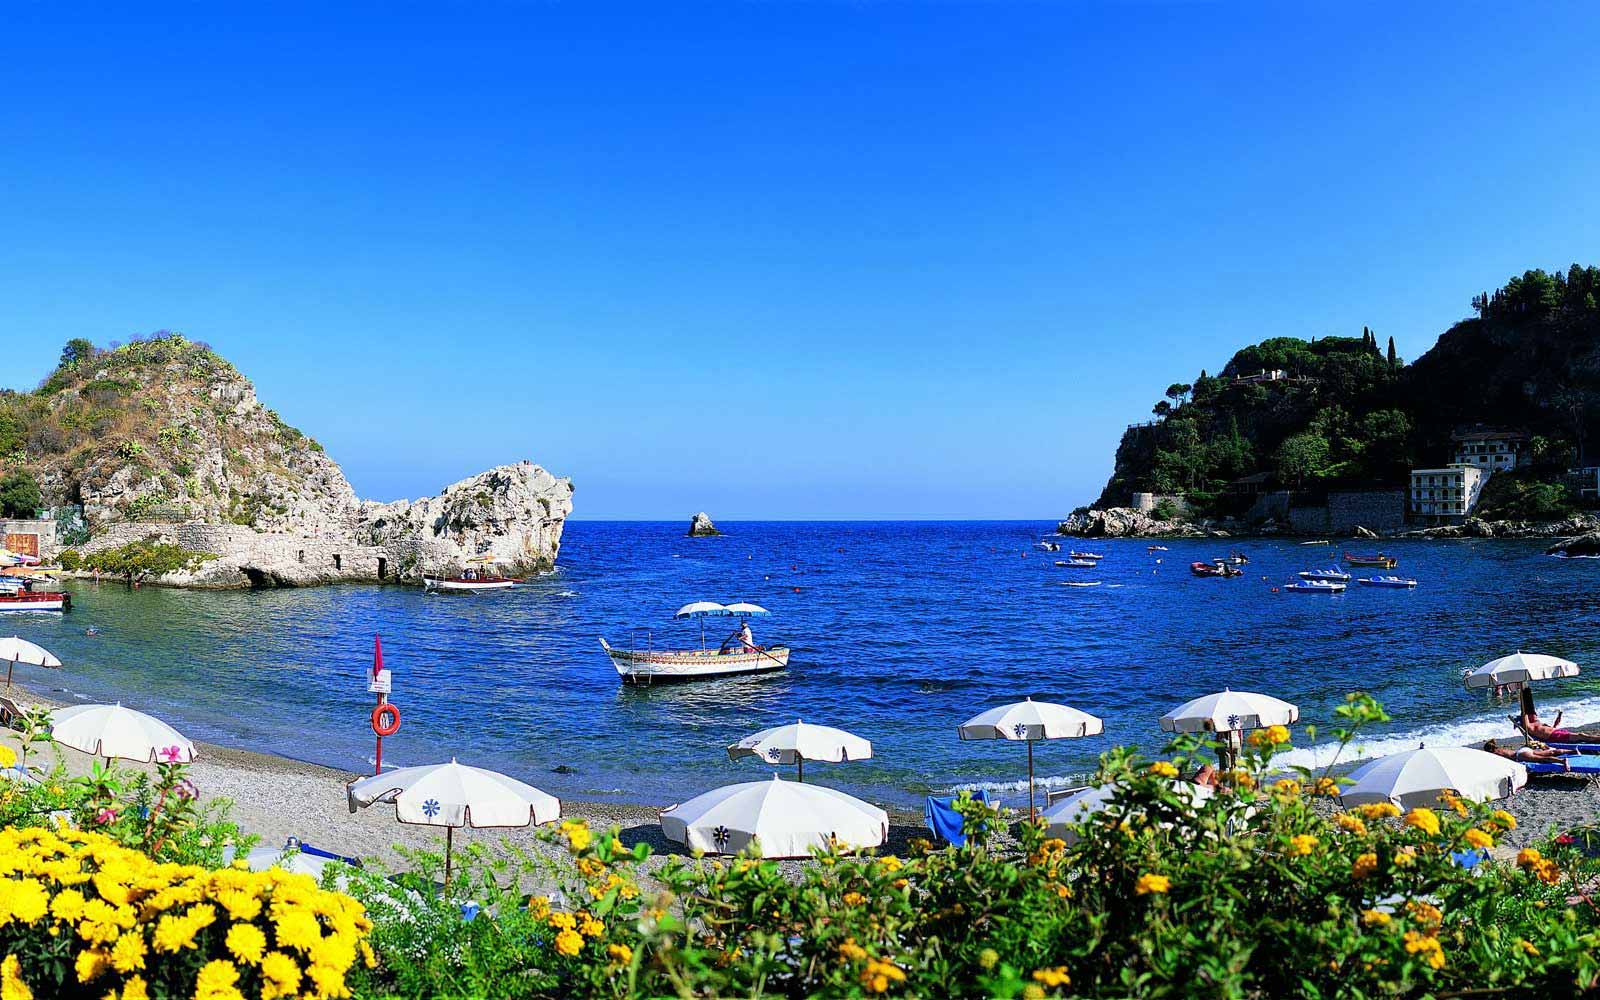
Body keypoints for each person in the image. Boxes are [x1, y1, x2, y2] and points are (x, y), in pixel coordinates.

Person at [1520, 708, 1600, 744]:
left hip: (1557, 732)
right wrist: (1524, 711)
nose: (1535, 716)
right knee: (1581, 735)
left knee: (1581, 736)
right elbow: (1525, 714)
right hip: (1555, 736)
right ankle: (1597, 739)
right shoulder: (1530, 727)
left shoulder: (1537, 724)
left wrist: (1559, 715)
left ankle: (1596, 738)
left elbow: (1555, 725)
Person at [1484, 738, 1575, 769]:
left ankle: (1562, 761)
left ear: (1489, 750)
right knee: (1549, 752)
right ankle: (1572, 751)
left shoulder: (1494, 754)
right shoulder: (1500, 749)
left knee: (1542, 760)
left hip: (1520, 755)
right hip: (1523, 750)